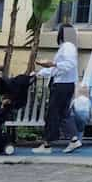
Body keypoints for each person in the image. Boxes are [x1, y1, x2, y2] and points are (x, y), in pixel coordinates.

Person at [33, 23, 81, 154]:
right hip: (65, 84)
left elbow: (68, 65)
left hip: (62, 85)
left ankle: (47, 144)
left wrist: (52, 63)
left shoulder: (67, 47)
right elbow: (56, 69)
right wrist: (40, 72)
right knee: (63, 113)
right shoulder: (68, 47)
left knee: (53, 114)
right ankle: (74, 139)